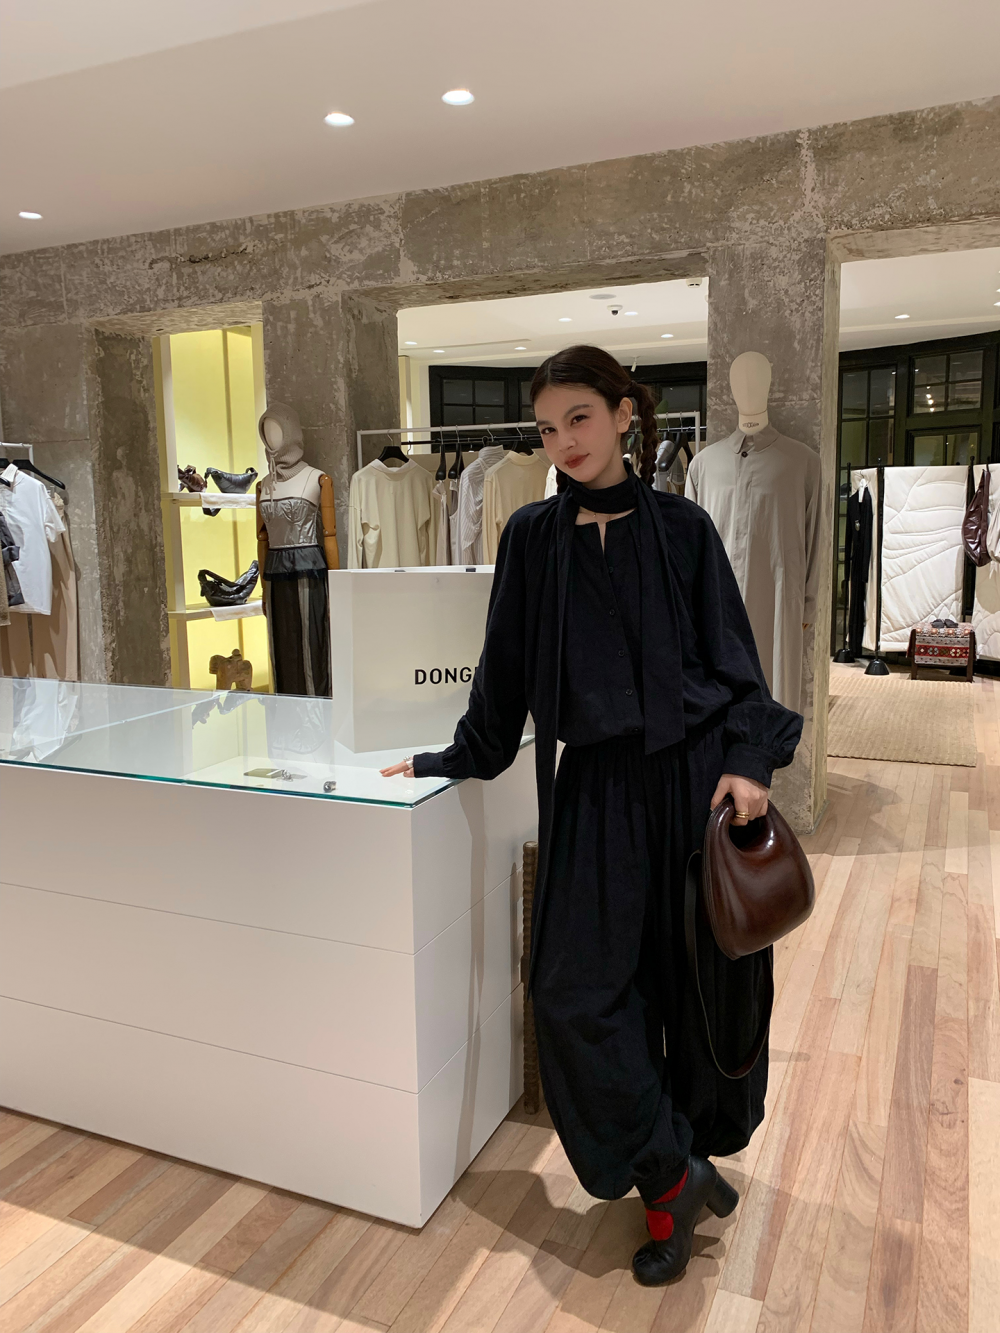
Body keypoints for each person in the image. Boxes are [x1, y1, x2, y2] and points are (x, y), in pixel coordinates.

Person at [381, 345, 802, 1285]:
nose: (563, 440)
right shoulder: (532, 538)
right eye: (546, 427)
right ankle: (673, 1170)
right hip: (596, 792)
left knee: (691, 992)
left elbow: (737, 663)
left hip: (693, 787)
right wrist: (453, 755)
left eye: (578, 417)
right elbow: (502, 679)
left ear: (622, 414)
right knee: (572, 993)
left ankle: (668, 1193)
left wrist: (748, 760)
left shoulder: (684, 530)